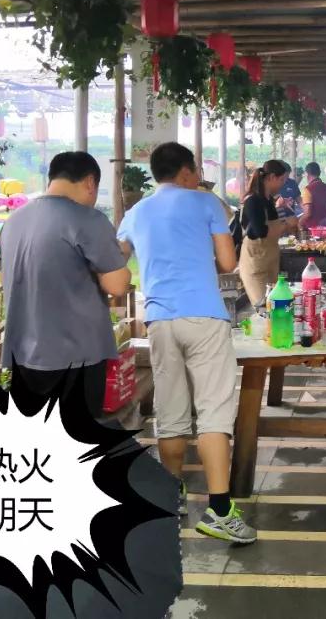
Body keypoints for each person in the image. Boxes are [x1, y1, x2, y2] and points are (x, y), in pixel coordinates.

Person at [117, 142, 256, 544]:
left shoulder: (135, 212)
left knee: (171, 410)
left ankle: (170, 494)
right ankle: (220, 511)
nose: (198, 177)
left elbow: (115, 259)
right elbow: (228, 263)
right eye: (195, 170)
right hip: (204, 316)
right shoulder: (206, 202)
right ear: (184, 172)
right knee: (213, 413)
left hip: (159, 320)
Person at [0, 152, 130, 417]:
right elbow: (117, 285)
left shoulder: (13, 222)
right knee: (78, 435)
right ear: (90, 182)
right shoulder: (88, 220)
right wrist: (121, 256)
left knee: (37, 436)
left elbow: (7, 279)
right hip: (76, 356)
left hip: (23, 355)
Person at [239, 160, 298, 308]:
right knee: (264, 307)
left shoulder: (269, 200)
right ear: (271, 177)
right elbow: (260, 231)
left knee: (277, 305)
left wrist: (289, 227)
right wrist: (286, 224)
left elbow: (275, 227)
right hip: (256, 265)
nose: (283, 184)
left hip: (271, 261)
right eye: (282, 180)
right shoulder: (253, 201)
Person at [298, 161, 326, 230]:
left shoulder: (308, 190)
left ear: (307, 174)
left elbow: (308, 213)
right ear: (319, 173)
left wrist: (299, 222)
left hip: (313, 229)